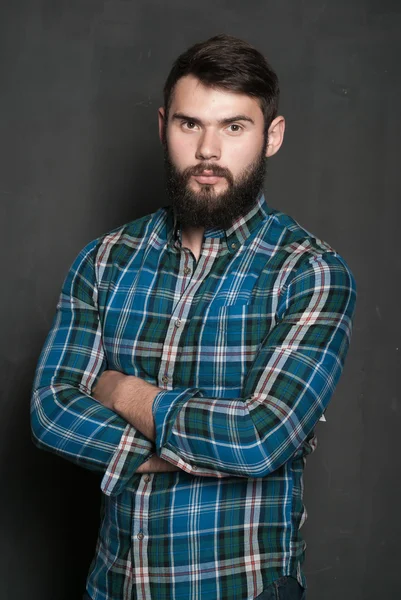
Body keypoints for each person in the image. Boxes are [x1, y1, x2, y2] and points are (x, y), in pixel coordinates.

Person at [31, 34, 356, 600]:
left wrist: (123, 392)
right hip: (115, 585)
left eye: (234, 127)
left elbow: (260, 438)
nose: (209, 150)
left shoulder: (311, 273)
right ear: (163, 126)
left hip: (241, 587)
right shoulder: (105, 260)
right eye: (190, 124)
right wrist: (181, 453)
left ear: (271, 136)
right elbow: (51, 410)